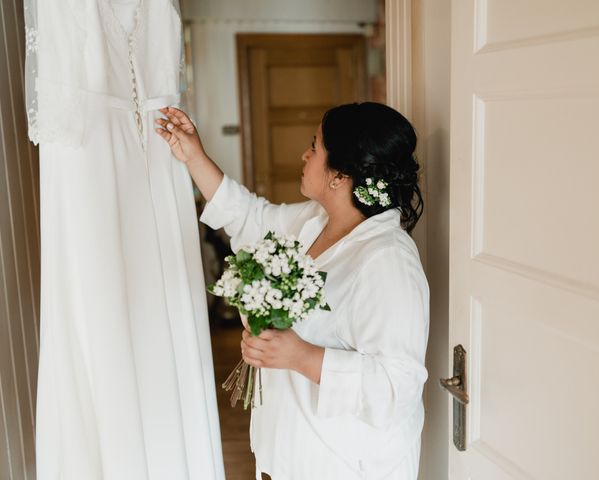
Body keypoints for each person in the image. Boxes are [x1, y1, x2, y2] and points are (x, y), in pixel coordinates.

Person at [155, 102, 430, 480]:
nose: (305, 154)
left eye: (315, 146)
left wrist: (300, 355)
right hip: (289, 451)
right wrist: (193, 155)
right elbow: (250, 218)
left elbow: (397, 387)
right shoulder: (316, 221)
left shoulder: (388, 262)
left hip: (344, 465)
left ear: (340, 175)